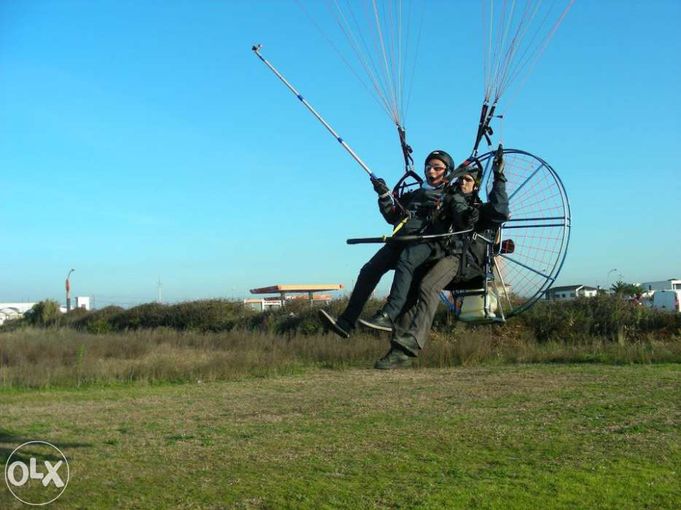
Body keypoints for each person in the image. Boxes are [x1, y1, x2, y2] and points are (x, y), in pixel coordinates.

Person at [374, 146, 510, 369]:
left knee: (428, 287)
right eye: (461, 179)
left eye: (468, 180)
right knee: (407, 294)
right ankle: (397, 350)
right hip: (440, 256)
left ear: (475, 184)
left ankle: (413, 343)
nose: (463, 183)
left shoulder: (480, 209)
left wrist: (499, 177)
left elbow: (501, 211)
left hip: (462, 262)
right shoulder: (449, 202)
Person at [320, 150, 474, 338]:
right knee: (370, 269)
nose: (431, 171)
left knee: (406, 260)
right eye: (428, 167)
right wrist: (384, 196)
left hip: (430, 244)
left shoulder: (451, 196)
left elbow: (463, 218)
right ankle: (346, 322)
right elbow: (392, 216)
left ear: (447, 170)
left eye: (437, 168)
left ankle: (388, 315)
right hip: (401, 240)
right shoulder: (414, 194)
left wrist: (466, 211)